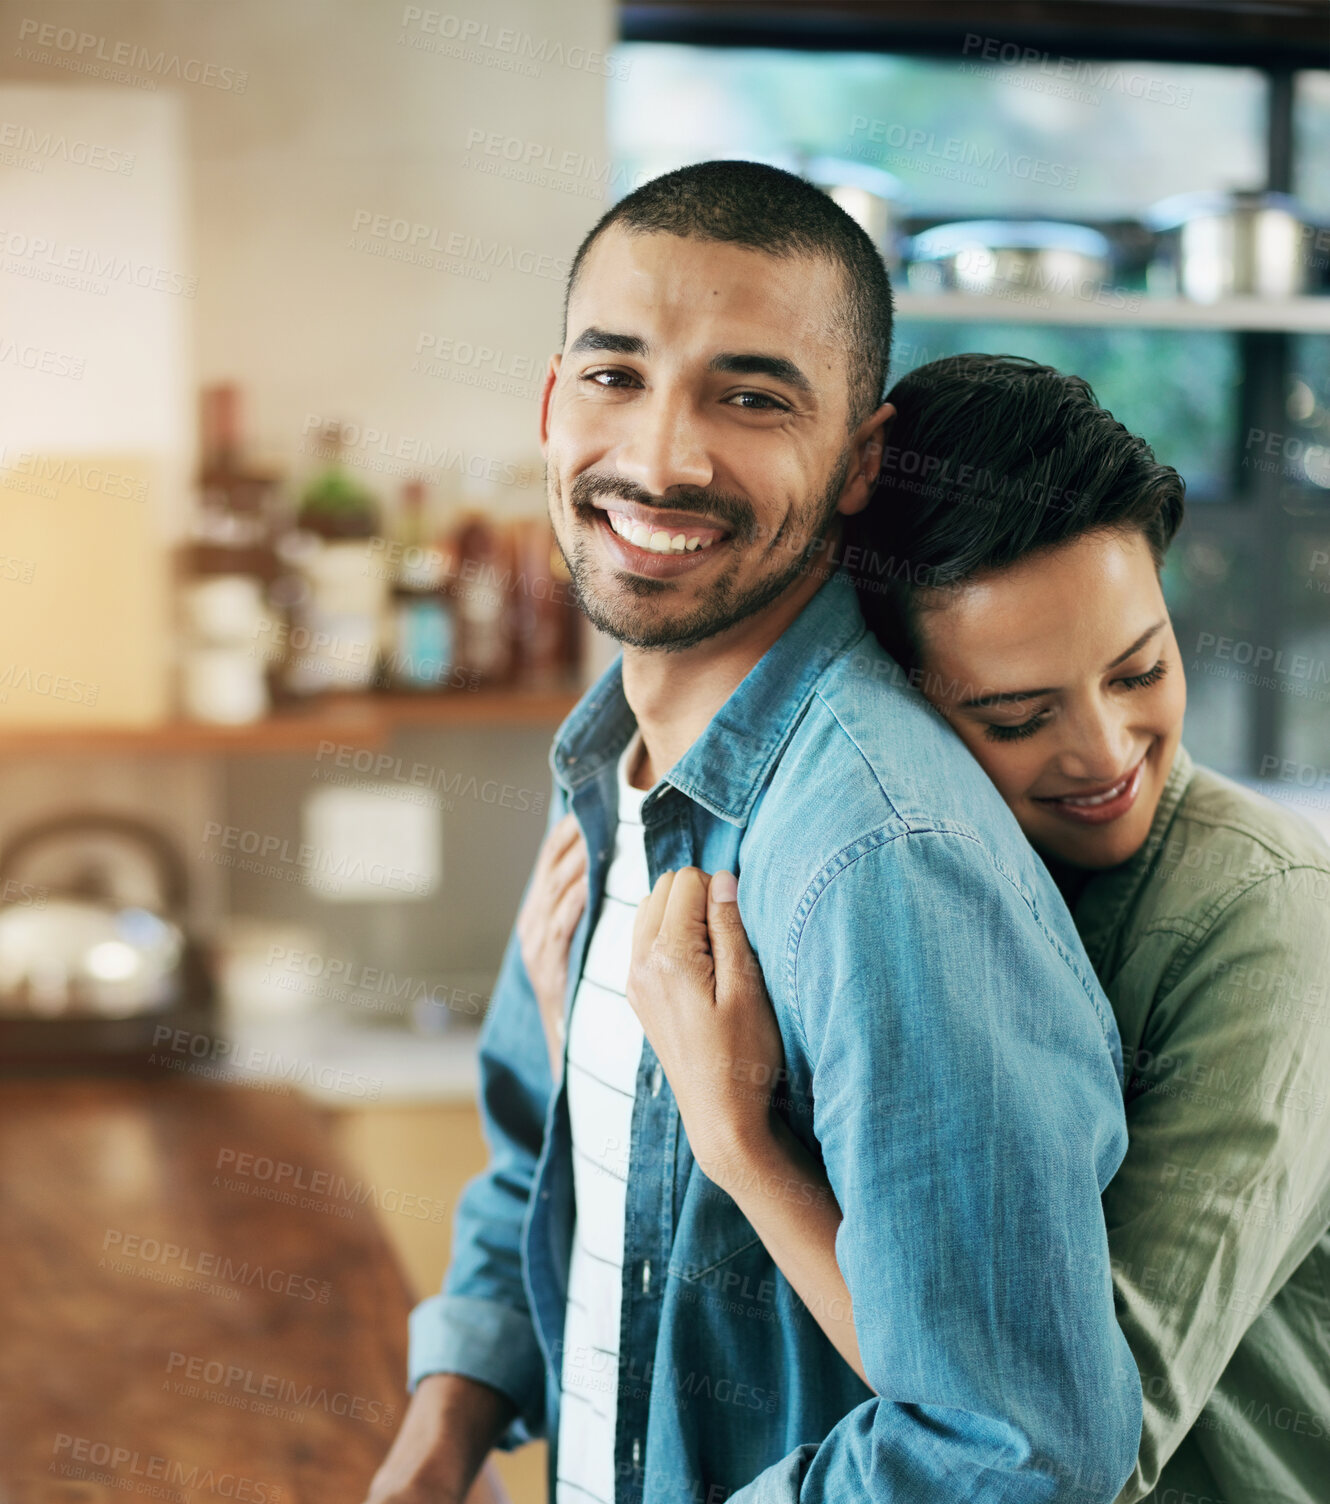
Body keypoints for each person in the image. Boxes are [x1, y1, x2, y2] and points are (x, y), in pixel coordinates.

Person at [365, 164, 1142, 1504]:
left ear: (860, 463)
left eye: (750, 396)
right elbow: (538, 1153)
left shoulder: (878, 854)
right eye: (616, 377)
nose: (659, 457)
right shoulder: (612, 754)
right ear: (552, 408)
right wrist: (438, 1439)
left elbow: (1017, 1452)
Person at [524, 353, 1330, 1504]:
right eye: (1015, 716)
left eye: (1140, 668)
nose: (1104, 752)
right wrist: (595, 1052)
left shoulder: (1266, 917)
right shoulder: (864, 876)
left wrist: (740, 1148)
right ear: (893, 700)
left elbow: (1069, 1439)